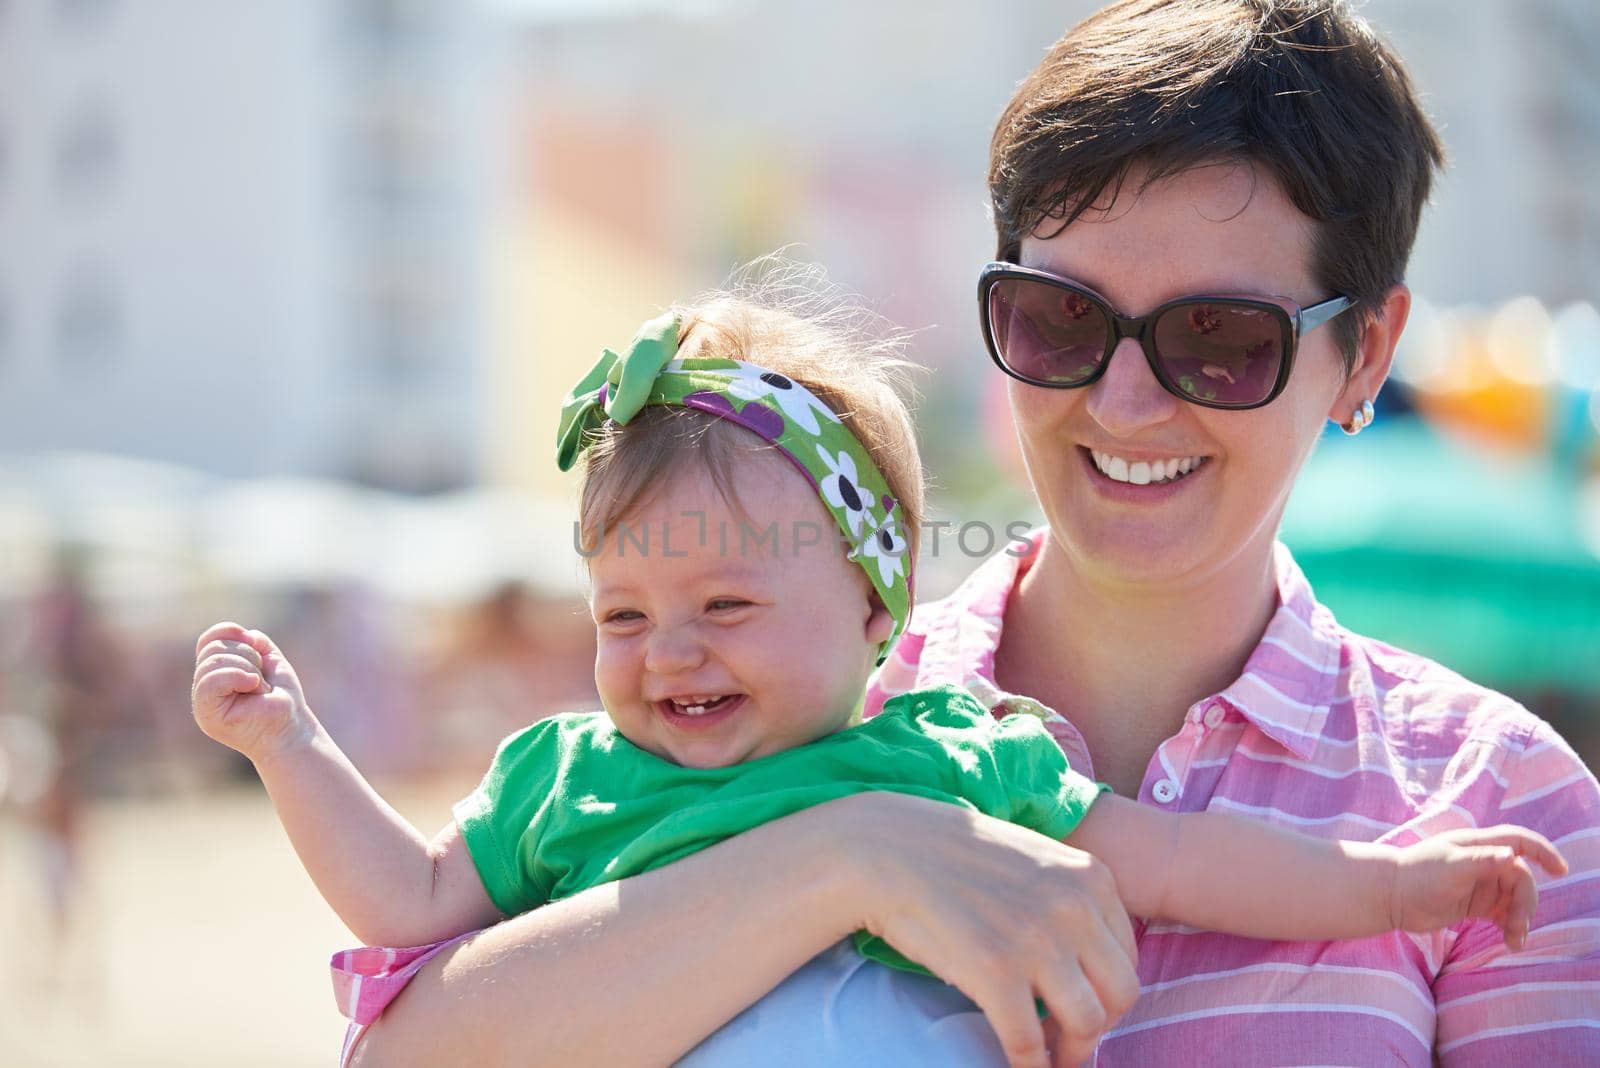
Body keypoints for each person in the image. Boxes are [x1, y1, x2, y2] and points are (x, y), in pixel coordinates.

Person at [316, 4, 1600, 1066]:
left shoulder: (1500, 809)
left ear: (1364, 348)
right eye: (1060, 319)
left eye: (1220, 337)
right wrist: (847, 854)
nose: (1123, 400)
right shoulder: (773, 698)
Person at [195, 291, 1565, 1067]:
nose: (670, 649)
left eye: (726, 603)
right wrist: (291, 747)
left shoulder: (951, 755)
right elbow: (405, 913)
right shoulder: (566, 783)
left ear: (872, 606)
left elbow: (1184, 861)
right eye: (623, 614)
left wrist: (1397, 885)